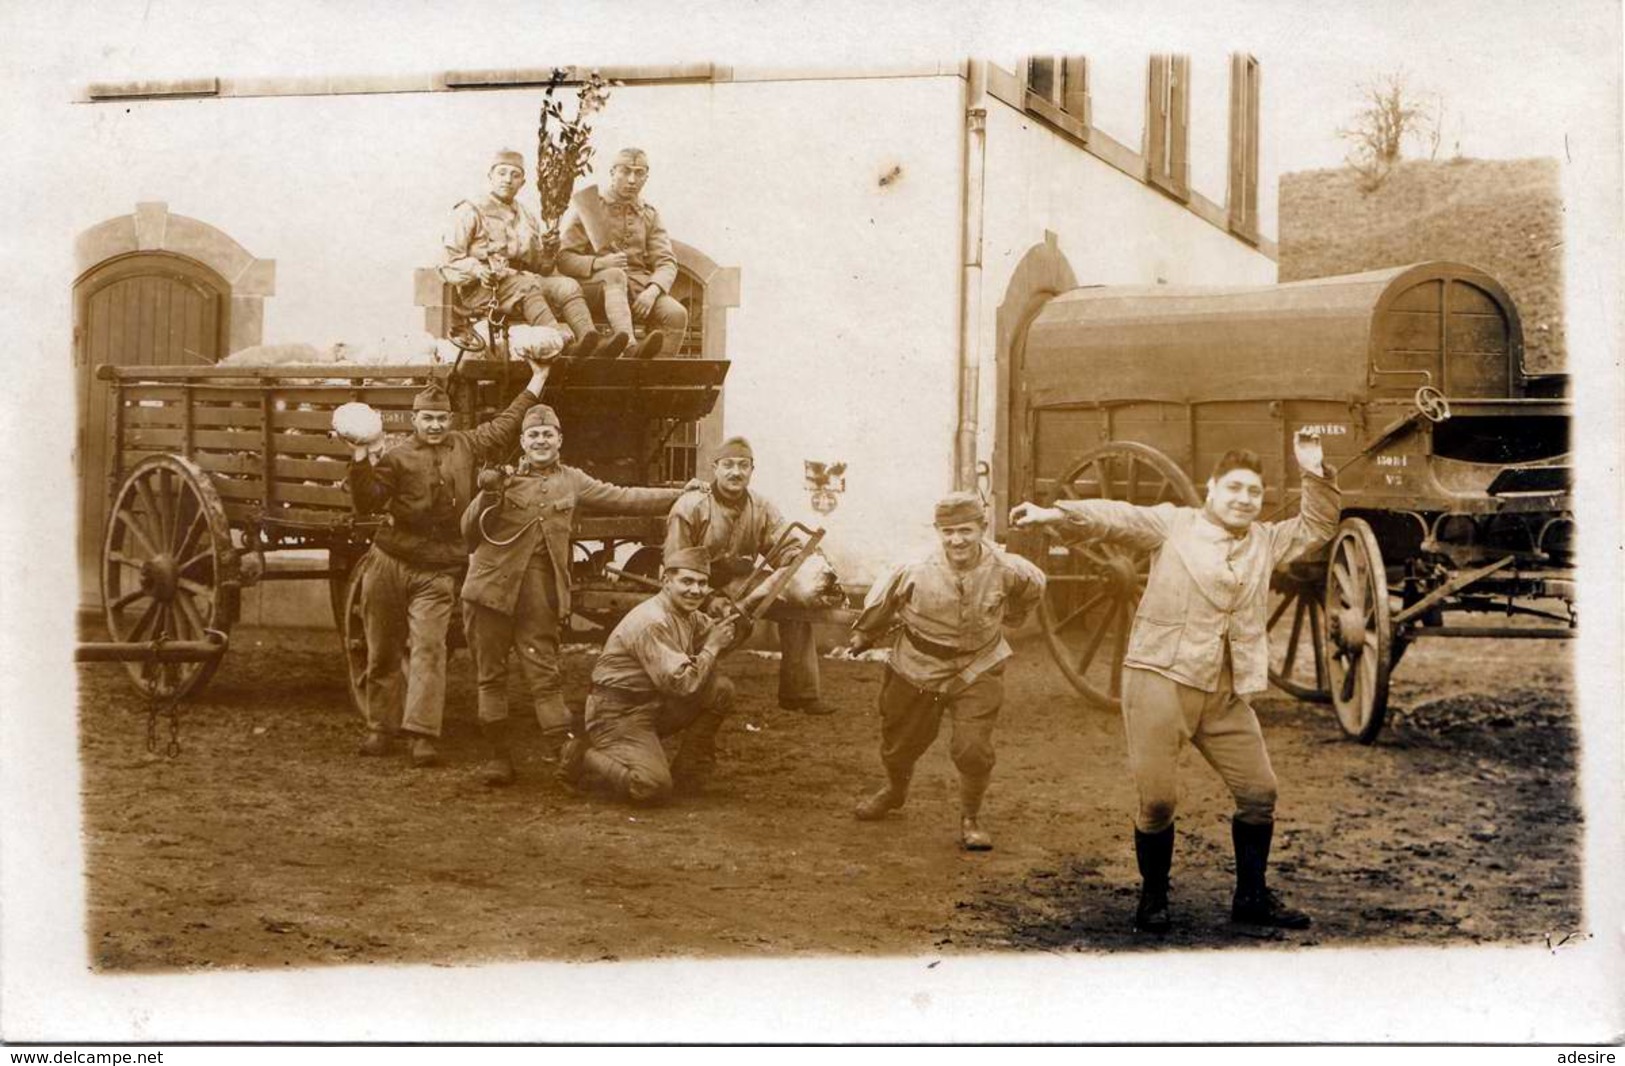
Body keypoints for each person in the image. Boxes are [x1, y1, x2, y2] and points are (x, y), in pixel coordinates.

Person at [1009, 430, 1338, 933]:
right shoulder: (1174, 526)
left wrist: (1311, 466)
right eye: (1233, 488)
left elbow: (1317, 522)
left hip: (1225, 692)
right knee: (1158, 801)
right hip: (1160, 680)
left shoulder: (1266, 541)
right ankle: (1153, 896)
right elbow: (1117, 516)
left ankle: (1251, 897)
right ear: (1210, 488)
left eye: (1253, 492)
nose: (1243, 499)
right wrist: (1056, 515)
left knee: (1259, 792)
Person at [458, 404, 692, 785]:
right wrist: (488, 494)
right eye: (533, 435)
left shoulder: (573, 480)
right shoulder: (503, 480)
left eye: (547, 434)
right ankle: (498, 758)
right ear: (522, 442)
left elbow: (624, 496)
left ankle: (563, 756)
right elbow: (468, 532)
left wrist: (679, 493)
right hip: (488, 590)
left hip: (539, 593)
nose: (540, 441)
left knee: (545, 676)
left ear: (559, 441)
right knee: (490, 676)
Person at [346, 358, 549, 766]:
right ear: (415, 419)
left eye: (441, 418)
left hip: (437, 569)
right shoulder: (396, 457)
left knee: (429, 648)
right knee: (382, 648)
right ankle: (379, 728)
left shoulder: (467, 445)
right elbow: (367, 499)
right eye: (427, 418)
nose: (435, 425)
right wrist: (359, 459)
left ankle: (421, 734)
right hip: (388, 561)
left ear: (450, 419)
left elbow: (509, 423)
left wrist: (539, 378)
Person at [848, 492, 1046, 851]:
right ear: (938, 532)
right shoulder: (914, 569)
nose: (958, 540)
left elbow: (1033, 589)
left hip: (977, 666)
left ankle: (971, 819)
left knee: (972, 749)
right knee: (899, 745)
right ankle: (894, 790)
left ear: (983, 529)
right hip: (917, 666)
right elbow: (880, 603)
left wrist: (1013, 617)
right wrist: (864, 634)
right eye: (949, 531)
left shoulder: (1009, 569)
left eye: (966, 531)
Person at [556, 547, 738, 804]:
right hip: (616, 714)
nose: (695, 590)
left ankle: (688, 774)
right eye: (686, 581)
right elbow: (683, 684)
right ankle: (581, 755)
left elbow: (721, 636)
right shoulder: (653, 620)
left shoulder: (687, 613)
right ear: (666, 581)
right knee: (651, 786)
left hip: (650, 704)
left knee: (721, 690)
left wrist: (735, 621)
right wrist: (712, 646)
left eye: (702, 583)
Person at [665, 436, 829, 715]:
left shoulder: (761, 506)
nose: (735, 472)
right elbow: (676, 563)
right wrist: (708, 598)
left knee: (793, 605)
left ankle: (800, 693)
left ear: (752, 470)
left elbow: (785, 545)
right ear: (714, 468)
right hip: (697, 584)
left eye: (743, 465)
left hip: (742, 580)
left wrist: (797, 561)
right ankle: (681, 683)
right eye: (728, 465)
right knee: (730, 625)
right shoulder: (691, 506)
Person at [442, 149, 616, 360]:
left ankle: (592, 342)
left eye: (515, 175)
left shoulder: (527, 217)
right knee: (527, 286)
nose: (508, 180)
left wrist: (549, 252)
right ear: (490, 176)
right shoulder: (470, 210)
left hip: (522, 279)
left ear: (522, 182)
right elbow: (449, 262)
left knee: (567, 285)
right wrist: (479, 271)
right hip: (484, 288)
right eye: (502, 173)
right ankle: (560, 344)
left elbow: (539, 268)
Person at [558, 147, 687, 359]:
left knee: (676, 314)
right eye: (625, 171)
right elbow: (564, 259)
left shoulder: (649, 214)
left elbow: (666, 261)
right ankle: (629, 347)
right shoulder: (591, 206)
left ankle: (653, 382)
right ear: (612, 172)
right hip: (596, 284)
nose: (632, 179)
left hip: (637, 287)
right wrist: (600, 263)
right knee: (614, 275)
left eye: (639, 173)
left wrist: (652, 291)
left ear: (647, 177)